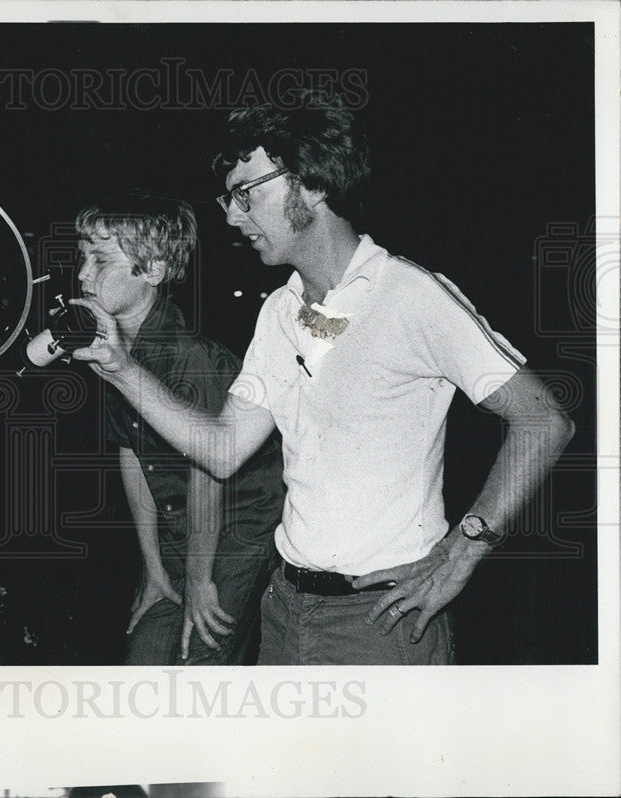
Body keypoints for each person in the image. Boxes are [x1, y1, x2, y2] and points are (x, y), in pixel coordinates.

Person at [72, 102, 575, 665]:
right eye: (227, 199)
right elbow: (220, 451)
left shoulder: (409, 293)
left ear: (310, 185)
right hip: (285, 609)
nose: (233, 217)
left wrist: (464, 548)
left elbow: (544, 419)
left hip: (381, 618)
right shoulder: (281, 311)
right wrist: (120, 367)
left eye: (246, 194)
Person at [73, 194, 284, 665]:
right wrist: (151, 567)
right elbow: (132, 455)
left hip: (236, 530)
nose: (83, 274)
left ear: (154, 270)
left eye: (100, 260)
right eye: (82, 258)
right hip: (180, 527)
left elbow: (210, 471)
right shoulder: (114, 351)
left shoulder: (191, 355)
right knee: (143, 661)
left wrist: (198, 577)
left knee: (198, 664)